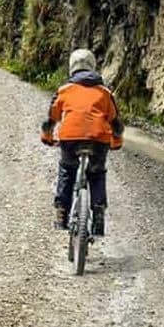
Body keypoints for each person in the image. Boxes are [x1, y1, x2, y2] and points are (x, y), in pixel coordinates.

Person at [40, 48, 124, 235]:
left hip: (70, 138)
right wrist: (116, 141)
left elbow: (51, 118)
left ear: (72, 67)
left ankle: (62, 214)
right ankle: (99, 216)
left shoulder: (64, 90)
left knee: (67, 170)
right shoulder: (104, 92)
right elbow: (115, 122)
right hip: (98, 138)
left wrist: (47, 136)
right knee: (97, 173)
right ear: (93, 67)